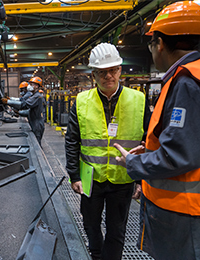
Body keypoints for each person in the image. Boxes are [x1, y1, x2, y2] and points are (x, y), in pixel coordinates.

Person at [114, 2, 200, 260]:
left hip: (184, 210)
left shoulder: (186, 82)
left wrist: (135, 162)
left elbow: (179, 155)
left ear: (160, 43)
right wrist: (152, 150)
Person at [65, 42, 151, 260]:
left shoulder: (138, 100)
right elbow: (72, 140)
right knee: (90, 224)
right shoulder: (82, 101)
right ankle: (96, 253)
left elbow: (148, 143)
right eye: (102, 72)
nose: (108, 76)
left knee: (117, 229)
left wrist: (142, 179)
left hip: (123, 179)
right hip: (90, 178)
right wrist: (74, 175)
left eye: (113, 70)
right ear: (94, 74)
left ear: (120, 70)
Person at [2, 76, 45, 146]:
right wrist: (19, 113)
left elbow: (23, 105)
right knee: (36, 143)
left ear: (37, 86)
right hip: (34, 122)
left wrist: (8, 102)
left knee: (37, 144)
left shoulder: (37, 96)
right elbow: (29, 111)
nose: (30, 86)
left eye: (32, 84)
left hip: (37, 124)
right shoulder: (33, 95)